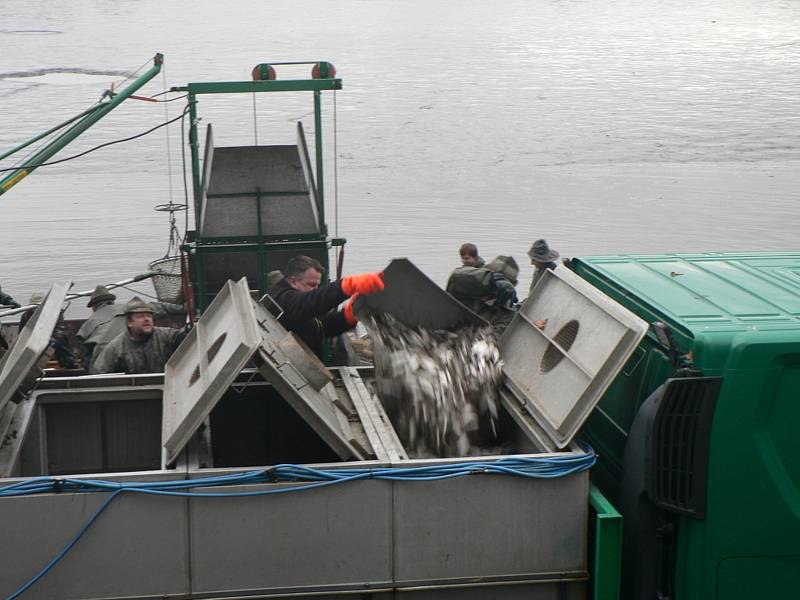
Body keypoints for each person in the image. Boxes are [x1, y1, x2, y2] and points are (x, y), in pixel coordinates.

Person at [267, 255, 384, 360]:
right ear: (293, 281)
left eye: (318, 286)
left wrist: (348, 316)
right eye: (312, 285)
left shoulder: (298, 307)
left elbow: (320, 328)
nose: (316, 290)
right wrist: (347, 285)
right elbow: (310, 302)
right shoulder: (282, 299)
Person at [77, 285, 185, 371]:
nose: (146, 318)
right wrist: (183, 308)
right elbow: (162, 307)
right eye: (141, 316)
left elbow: (87, 359)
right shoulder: (127, 308)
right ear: (112, 301)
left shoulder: (88, 324)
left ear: (93, 307)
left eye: (148, 315)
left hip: (103, 363)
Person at [446, 255, 520, 336]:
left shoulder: (506, 313)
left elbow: (497, 333)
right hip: (450, 325)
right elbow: (456, 276)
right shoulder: (469, 285)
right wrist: (490, 279)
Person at [18, 292, 78, 369]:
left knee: (61, 340)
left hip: (52, 337)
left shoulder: (56, 312)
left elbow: (60, 328)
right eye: (35, 307)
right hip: (34, 339)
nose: (37, 309)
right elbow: (21, 334)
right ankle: (28, 367)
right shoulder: (26, 315)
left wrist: (50, 339)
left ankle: (69, 362)